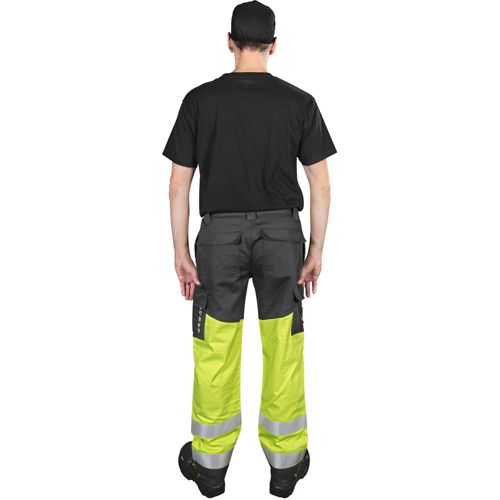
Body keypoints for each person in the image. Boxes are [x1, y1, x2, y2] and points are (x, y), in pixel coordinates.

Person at [162, 1, 336, 497]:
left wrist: (181, 251)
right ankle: (285, 467)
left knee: (215, 348)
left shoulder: (199, 101)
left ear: (229, 42)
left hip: (219, 239)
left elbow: (178, 185)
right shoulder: (299, 102)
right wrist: (315, 250)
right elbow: (321, 185)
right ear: (274, 45)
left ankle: (209, 468)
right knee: (283, 346)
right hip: (283, 237)